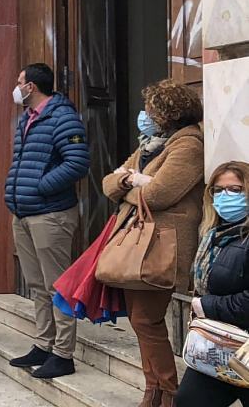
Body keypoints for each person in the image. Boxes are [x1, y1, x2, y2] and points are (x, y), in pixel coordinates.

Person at [102, 79, 204, 406]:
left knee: (147, 320)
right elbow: (107, 184)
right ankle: (154, 388)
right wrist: (132, 179)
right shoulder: (152, 145)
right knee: (140, 321)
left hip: (162, 243)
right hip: (139, 240)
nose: (145, 115)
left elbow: (159, 195)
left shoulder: (188, 145)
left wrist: (128, 186)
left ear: (167, 112)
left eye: (151, 109)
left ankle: (168, 392)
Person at [5, 62, 90, 379]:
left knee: (60, 287)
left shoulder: (63, 117)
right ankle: (43, 344)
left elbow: (78, 163)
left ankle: (63, 354)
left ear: (32, 86)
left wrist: (40, 187)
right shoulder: (26, 119)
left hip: (50, 214)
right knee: (38, 286)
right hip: (24, 214)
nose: (16, 87)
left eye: (20, 81)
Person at [177, 161, 249, 407]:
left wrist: (205, 305)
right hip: (220, 343)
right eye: (218, 190)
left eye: (235, 190)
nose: (224, 196)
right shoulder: (214, 235)